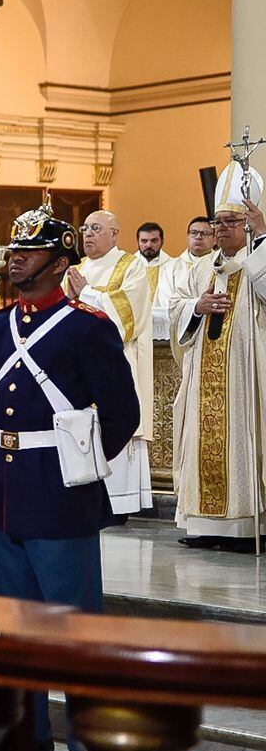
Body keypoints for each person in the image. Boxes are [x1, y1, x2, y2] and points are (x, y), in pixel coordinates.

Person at [0, 201, 139, 751]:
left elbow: (122, 411)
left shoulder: (86, 327)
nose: (14, 256)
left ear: (59, 262)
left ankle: (89, 742)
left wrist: (81, 460)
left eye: (29, 250)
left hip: (59, 493)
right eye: (13, 248)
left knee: (72, 625)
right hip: (3, 491)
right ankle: (31, 735)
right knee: (16, 624)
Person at [170, 167, 266, 550]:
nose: (221, 228)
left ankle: (245, 525)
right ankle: (203, 525)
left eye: (230, 221)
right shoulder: (199, 268)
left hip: (244, 375)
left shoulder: (257, 259)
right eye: (217, 222)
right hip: (202, 376)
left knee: (242, 435)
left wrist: (263, 237)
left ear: (247, 224)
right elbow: (175, 306)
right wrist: (198, 306)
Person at [67, 209, 153, 516]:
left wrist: (86, 293)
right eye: (85, 229)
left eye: (96, 228)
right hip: (81, 367)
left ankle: (120, 504)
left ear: (115, 234)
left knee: (114, 422)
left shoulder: (132, 265)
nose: (87, 234)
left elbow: (130, 315)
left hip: (117, 362)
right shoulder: (76, 268)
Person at [156, 216, 215, 350]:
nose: (198, 237)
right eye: (194, 233)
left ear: (214, 238)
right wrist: (196, 307)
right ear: (187, 236)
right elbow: (167, 302)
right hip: (176, 334)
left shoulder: (218, 266)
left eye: (204, 233)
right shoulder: (170, 267)